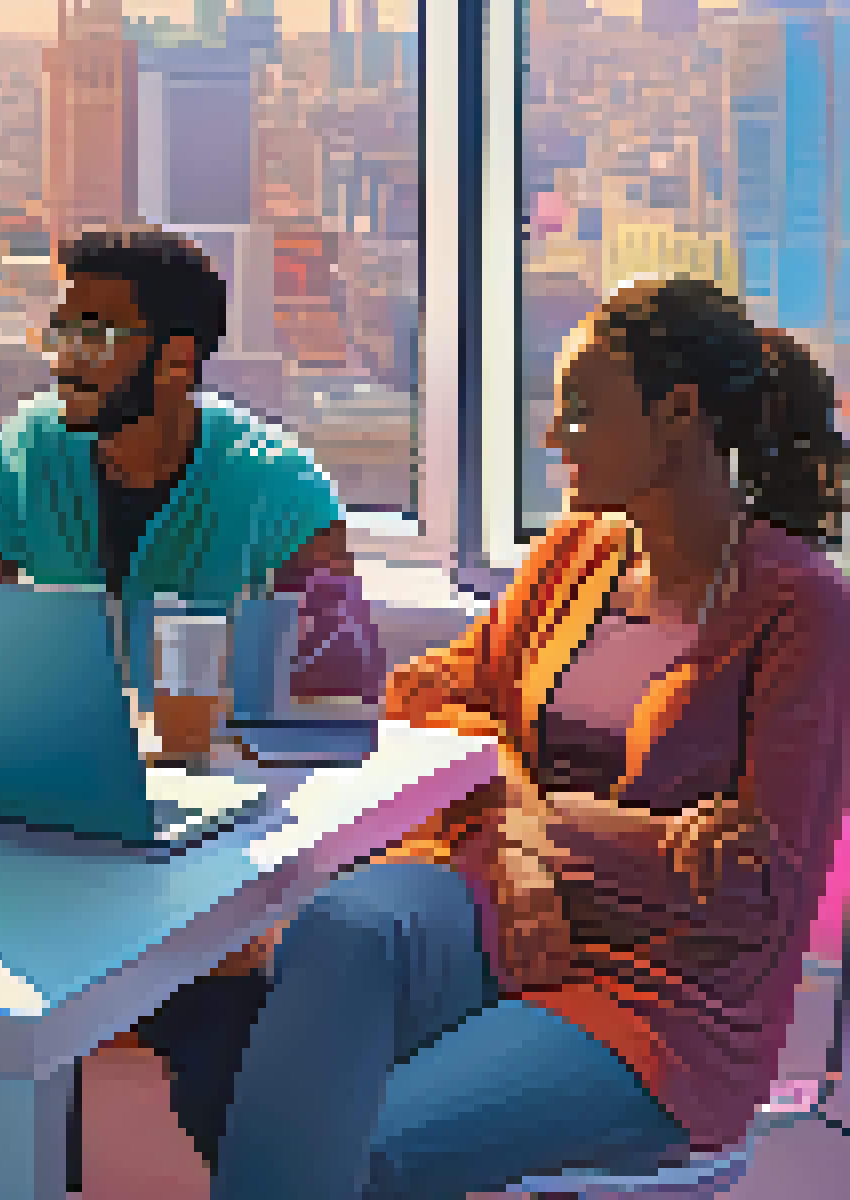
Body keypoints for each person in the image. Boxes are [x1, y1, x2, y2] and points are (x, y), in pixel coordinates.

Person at [202, 273, 850, 1199]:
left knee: (370, 1148)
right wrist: (519, 837)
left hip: (662, 1000)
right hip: (508, 914)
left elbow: (754, 887)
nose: (554, 436)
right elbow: (429, 693)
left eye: (584, 410)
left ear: (677, 414)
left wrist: (546, 831)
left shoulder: (797, 607)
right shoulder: (575, 555)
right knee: (343, 927)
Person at [0, 224, 387, 1193]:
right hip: (57, 824)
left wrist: (239, 712)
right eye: (61, 330)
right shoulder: (29, 453)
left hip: (209, 845)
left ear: (177, 359)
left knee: (231, 1058)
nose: (65, 358)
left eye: (95, 335)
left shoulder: (274, 480)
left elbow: (346, 688)